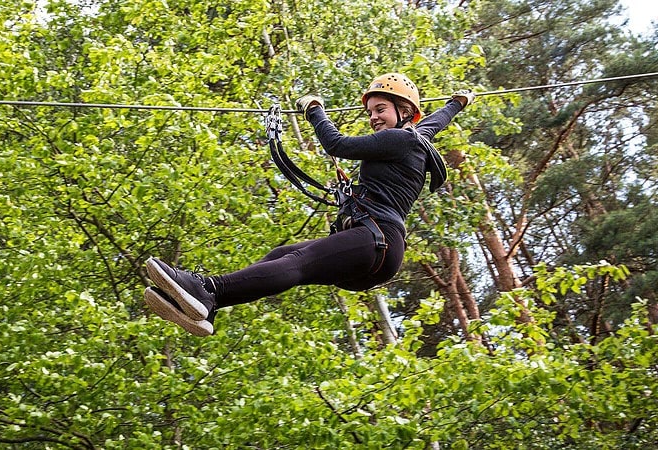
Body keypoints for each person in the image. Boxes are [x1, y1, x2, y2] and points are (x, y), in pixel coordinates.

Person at [143, 72, 475, 336]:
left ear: (404, 113)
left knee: (298, 262)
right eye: (371, 112)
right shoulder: (416, 138)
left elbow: (337, 144)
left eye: (380, 110)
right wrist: (457, 103)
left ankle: (207, 288)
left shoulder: (399, 138)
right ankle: (209, 305)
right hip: (378, 249)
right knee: (282, 255)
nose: (373, 117)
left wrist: (314, 109)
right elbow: (436, 121)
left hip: (377, 240)